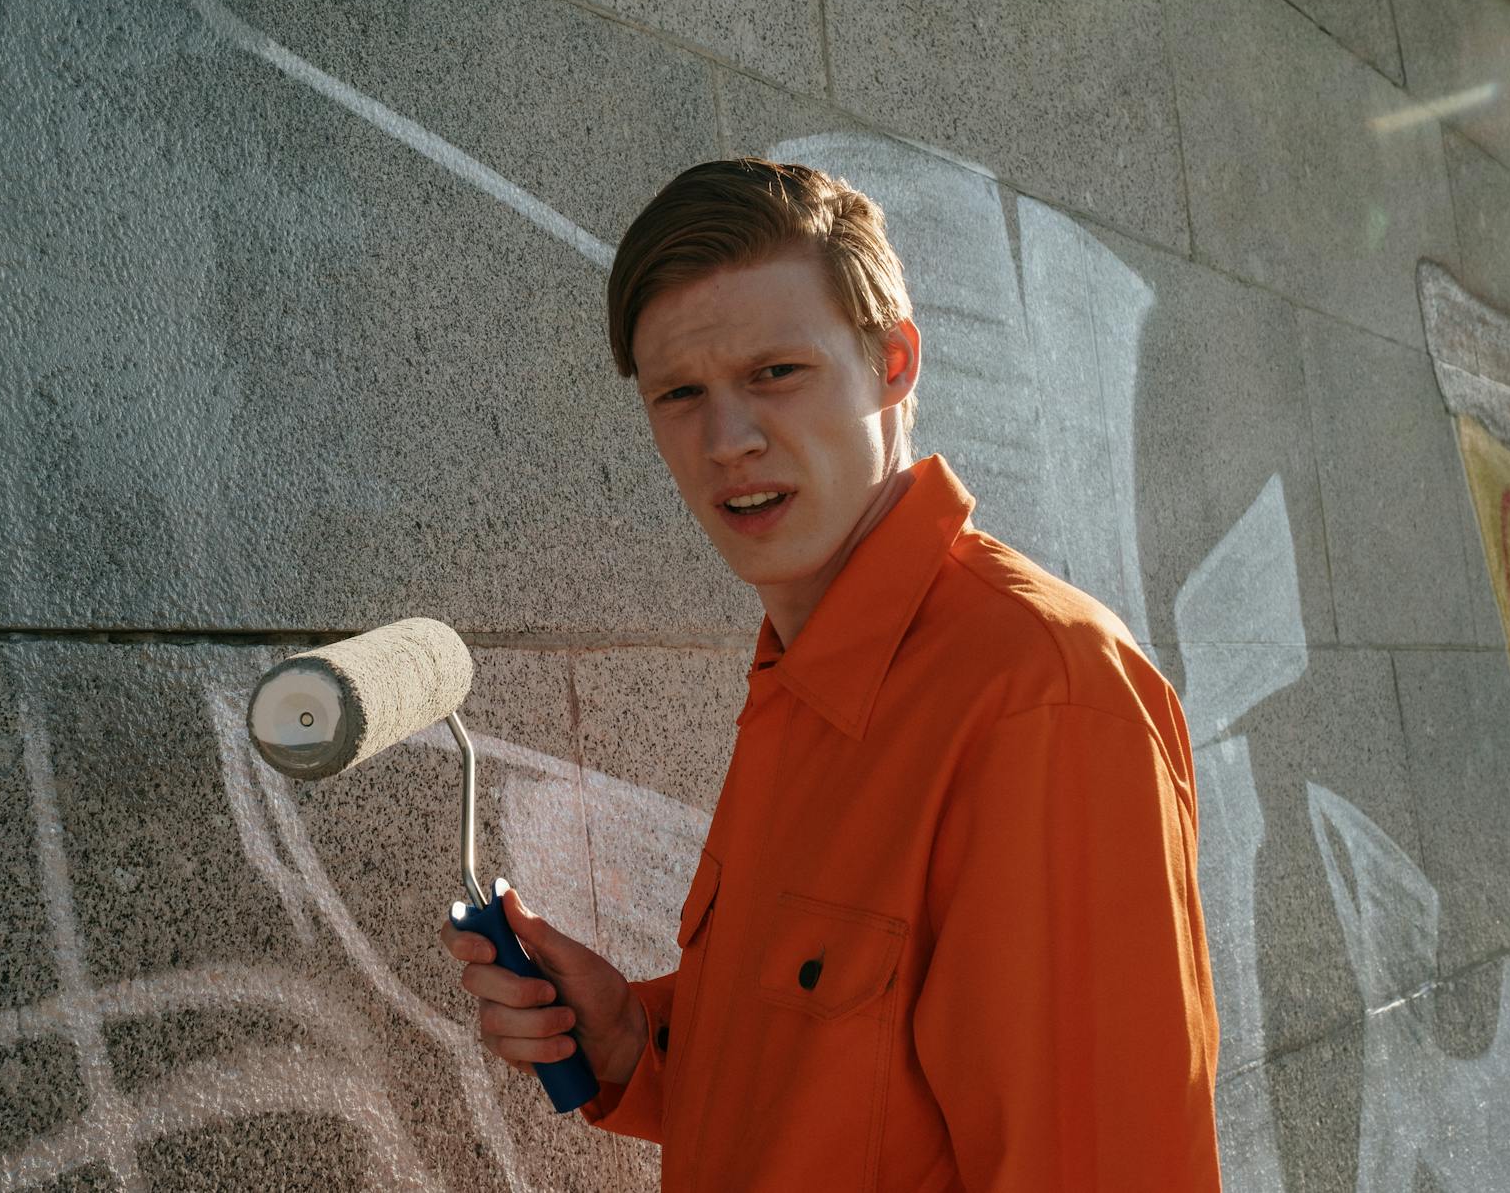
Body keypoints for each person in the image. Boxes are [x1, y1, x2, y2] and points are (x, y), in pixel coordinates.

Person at [438, 158, 1221, 1191]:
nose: (728, 439)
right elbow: (844, 1108)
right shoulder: (800, 678)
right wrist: (633, 1041)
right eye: (680, 393)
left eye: (775, 372)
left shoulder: (1040, 692)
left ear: (892, 362)